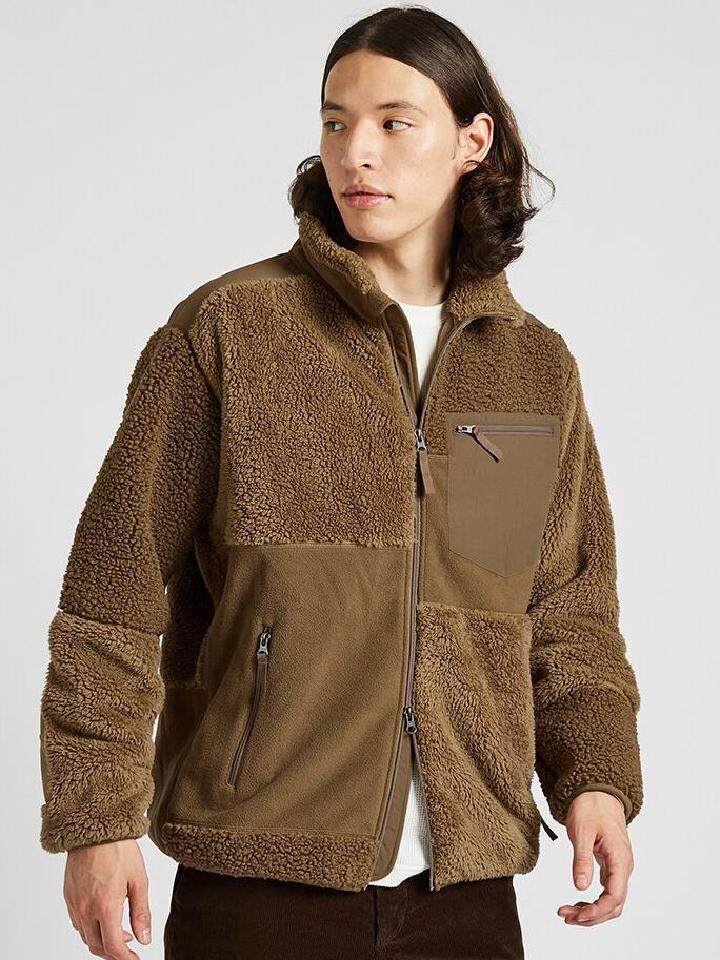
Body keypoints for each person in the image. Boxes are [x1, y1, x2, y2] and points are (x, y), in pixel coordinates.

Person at [39, 6, 644, 959]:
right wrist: (96, 818)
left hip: (466, 893)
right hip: (257, 879)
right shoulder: (229, 330)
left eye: (395, 123)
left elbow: (567, 608)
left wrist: (594, 779)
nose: (357, 152)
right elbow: (112, 593)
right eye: (335, 121)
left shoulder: (533, 367)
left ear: (472, 142)